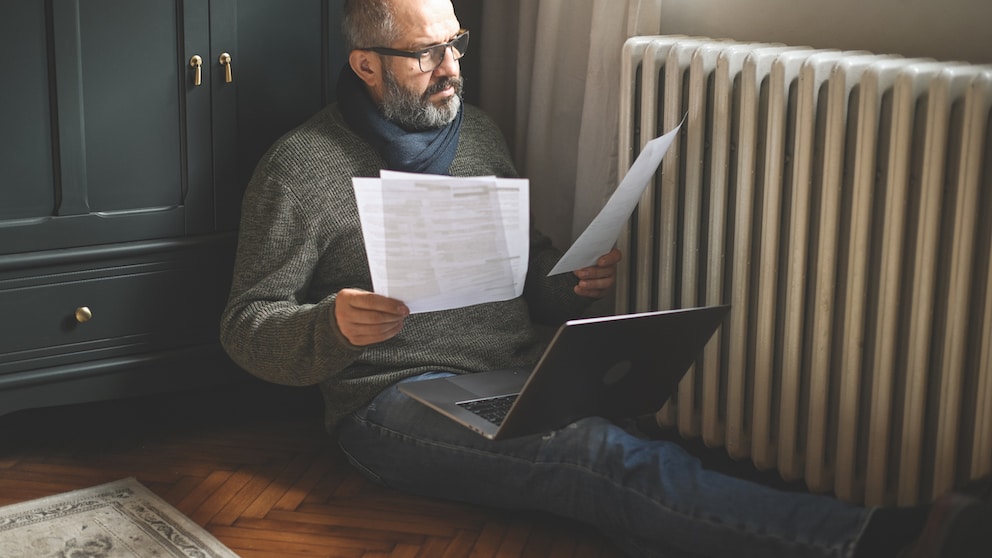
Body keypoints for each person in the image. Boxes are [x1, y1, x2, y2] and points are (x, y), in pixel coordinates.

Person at [219, 0, 990, 556]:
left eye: (456, 44)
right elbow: (246, 326)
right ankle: (874, 539)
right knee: (598, 459)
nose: (451, 70)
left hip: (512, 373)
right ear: (365, 63)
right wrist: (331, 324)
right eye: (427, 55)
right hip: (389, 400)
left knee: (633, 447)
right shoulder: (303, 166)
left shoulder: (479, 132)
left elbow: (525, 275)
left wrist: (571, 285)